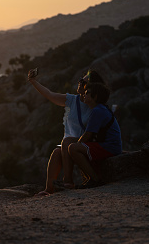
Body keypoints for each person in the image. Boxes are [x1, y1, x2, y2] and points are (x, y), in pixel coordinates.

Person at [27, 68, 106, 196]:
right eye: (81, 80)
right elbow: (49, 94)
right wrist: (33, 81)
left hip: (87, 143)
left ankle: (68, 181)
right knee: (56, 153)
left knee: (67, 141)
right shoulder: (72, 100)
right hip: (70, 146)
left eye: (84, 82)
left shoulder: (95, 106)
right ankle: (49, 190)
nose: (80, 83)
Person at [68, 82, 122, 188]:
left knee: (73, 148)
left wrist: (77, 147)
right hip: (110, 146)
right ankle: (92, 178)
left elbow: (88, 134)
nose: (84, 94)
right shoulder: (101, 109)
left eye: (87, 92)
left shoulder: (98, 111)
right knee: (78, 147)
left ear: (95, 96)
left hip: (109, 147)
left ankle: (95, 180)